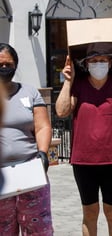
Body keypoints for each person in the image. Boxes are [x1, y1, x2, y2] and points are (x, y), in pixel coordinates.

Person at [55, 42, 112, 236]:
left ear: (110, 63)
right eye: (94, 61)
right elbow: (61, 111)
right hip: (83, 160)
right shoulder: (79, 84)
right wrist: (68, 80)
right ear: (86, 64)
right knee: (90, 211)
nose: (98, 64)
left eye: (102, 60)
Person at [0, 43, 53, 235]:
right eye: (0, 64)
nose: (4, 68)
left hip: (30, 170)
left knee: (38, 227)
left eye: (8, 64)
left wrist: (43, 153)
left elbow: (42, 126)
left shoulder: (29, 93)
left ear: (16, 65)